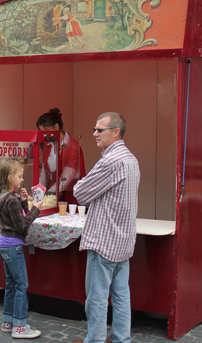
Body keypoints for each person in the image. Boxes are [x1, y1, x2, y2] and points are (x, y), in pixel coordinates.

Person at [72, 112, 140, 343]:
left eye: (99, 130)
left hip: (104, 241)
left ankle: (96, 340)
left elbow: (80, 193)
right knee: (121, 295)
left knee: (97, 297)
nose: (94, 134)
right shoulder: (130, 158)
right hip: (123, 240)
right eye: (95, 129)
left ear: (116, 131)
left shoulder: (111, 160)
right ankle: (122, 338)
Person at [0, 159, 43, 339]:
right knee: (21, 284)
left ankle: (8, 321)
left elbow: (16, 218)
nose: (22, 180)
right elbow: (22, 226)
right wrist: (36, 209)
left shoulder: (2, 197)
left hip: (3, 244)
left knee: (11, 284)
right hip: (13, 246)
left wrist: (23, 201)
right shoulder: (10, 199)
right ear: (9, 177)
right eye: (19, 176)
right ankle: (20, 326)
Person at [36, 108, 86, 204]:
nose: (45, 134)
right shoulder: (47, 145)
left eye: (46, 130)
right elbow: (44, 174)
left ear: (56, 127)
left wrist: (48, 195)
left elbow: (66, 178)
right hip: (53, 193)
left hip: (69, 193)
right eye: (42, 131)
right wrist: (38, 192)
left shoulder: (72, 145)